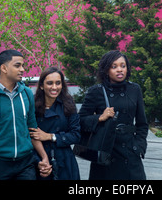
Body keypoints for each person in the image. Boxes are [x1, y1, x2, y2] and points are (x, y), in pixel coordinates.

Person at [0, 49, 52, 180]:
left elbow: (32, 128)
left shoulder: (26, 93)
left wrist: (44, 157)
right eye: (17, 65)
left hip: (26, 163)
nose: (22, 69)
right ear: (4, 68)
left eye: (22, 65)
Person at [79, 50, 148, 180]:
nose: (119, 70)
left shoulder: (134, 89)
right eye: (114, 66)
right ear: (106, 70)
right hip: (106, 152)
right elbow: (80, 120)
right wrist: (99, 117)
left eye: (123, 66)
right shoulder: (96, 91)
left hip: (130, 151)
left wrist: (139, 147)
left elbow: (142, 124)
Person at [30, 66, 81, 180]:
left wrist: (50, 136)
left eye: (58, 83)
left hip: (64, 160)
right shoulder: (32, 104)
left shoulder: (68, 104)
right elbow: (28, 137)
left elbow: (76, 135)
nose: (54, 87)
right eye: (50, 83)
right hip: (40, 160)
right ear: (42, 86)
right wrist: (39, 162)